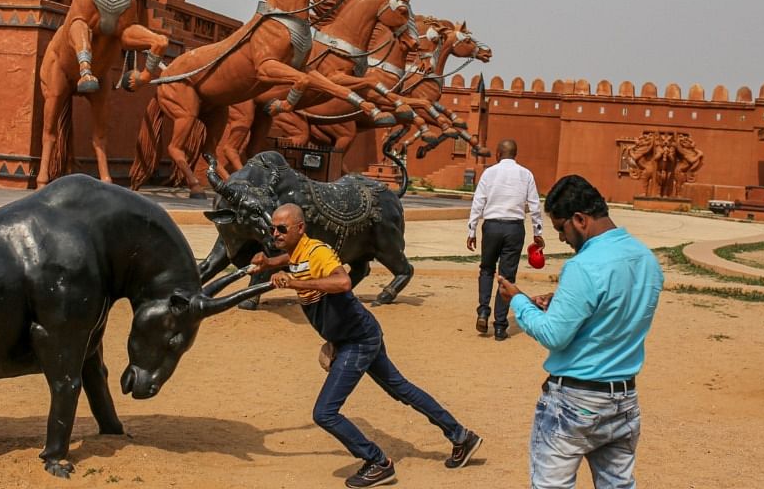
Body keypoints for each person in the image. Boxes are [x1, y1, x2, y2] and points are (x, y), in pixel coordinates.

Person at [254, 203, 481, 487]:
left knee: (324, 413)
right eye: (273, 228)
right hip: (358, 334)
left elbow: (343, 282)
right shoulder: (299, 253)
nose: (275, 233)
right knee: (401, 388)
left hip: (358, 340)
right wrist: (269, 262)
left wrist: (294, 284)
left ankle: (377, 462)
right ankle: (461, 436)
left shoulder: (317, 252)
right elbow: (292, 260)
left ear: (300, 228)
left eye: (281, 228)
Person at [495, 175, 664, 489]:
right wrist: (561, 303)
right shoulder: (647, 260)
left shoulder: (584, 266)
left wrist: (518, 300)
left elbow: (553, 336)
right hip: (624, 399)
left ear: (580, 219)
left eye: (561, 228)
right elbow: (616, 309)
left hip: (574, 400)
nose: (562, 237)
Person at [467, 138, 545, 340]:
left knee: (486, 269)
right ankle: (500, 325)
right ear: (515, 154)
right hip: (514, 228)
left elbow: (478, 202)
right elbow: (535, 205)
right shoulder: (526, 174)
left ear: (497, 154)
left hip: (492, 226)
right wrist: (537, 232)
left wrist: (472, 229)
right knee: (506, 276)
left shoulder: (489, 173)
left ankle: (483, 310)